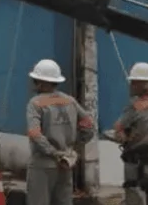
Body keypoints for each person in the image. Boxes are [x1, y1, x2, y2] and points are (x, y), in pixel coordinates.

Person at [25, 59, 95, 205]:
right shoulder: (69, 101)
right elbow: (89, 126)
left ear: (41, 82)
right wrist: (73, 149)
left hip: (43, 165)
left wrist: (53, 153)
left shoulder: (36, 103)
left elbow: (35, 134)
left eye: (35, 80)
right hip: (66, 163)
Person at [112, 62, 148, 205]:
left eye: (133, 82)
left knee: (135, 197)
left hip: (136, 161)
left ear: (142, 84)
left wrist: (124, 135)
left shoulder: (135, 105)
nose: (130, 85)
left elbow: (118, 129)